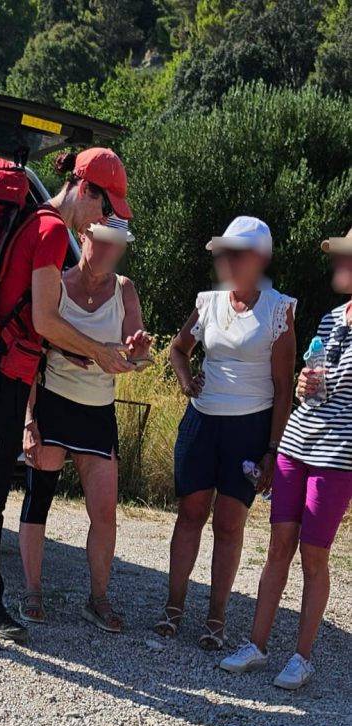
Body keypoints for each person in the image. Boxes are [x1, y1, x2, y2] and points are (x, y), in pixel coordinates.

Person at [0, 148, 136, 644]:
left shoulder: (41, 226)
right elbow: (45, 320)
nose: (106, 220)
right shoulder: (46, 231)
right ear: (85, 188)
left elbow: (41, 324)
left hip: (5, 373)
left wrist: (87, 352)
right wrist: (101, 353)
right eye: (106, 208)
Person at [154, 216, 297, 650]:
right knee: (191, 512)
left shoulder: (279, 310)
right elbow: (179, 349)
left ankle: (216, 618)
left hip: (250, 427)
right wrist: (184, 381)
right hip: (202, 421)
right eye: (226, 254)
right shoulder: (208, 302)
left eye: (237, 254)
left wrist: (274, 448)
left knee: (230, 523)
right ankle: (174, 608)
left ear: (258, 259)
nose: (229, 262)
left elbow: (283, 387)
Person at [220, 226, 352, 689]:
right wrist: (302, 384)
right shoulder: (332, 319)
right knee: (278, 545)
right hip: (298, 443)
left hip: (338, 456)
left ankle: (302, 657)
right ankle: (256, 645)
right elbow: (307, 380)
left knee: (314, 555)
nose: (338, 264)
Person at [18, 216, 151, 631]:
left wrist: (138, 351)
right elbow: (29, 355)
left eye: (118, 244)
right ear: (82, 237)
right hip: (53, 403)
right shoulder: (55, 284)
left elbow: (137, 358)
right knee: (39, 498)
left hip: (98, 411)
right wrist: (28, 422)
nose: (111, 251)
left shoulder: (125, 290)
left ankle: (98, 598)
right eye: (103, 241)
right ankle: (33, 592)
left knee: (105, 512)